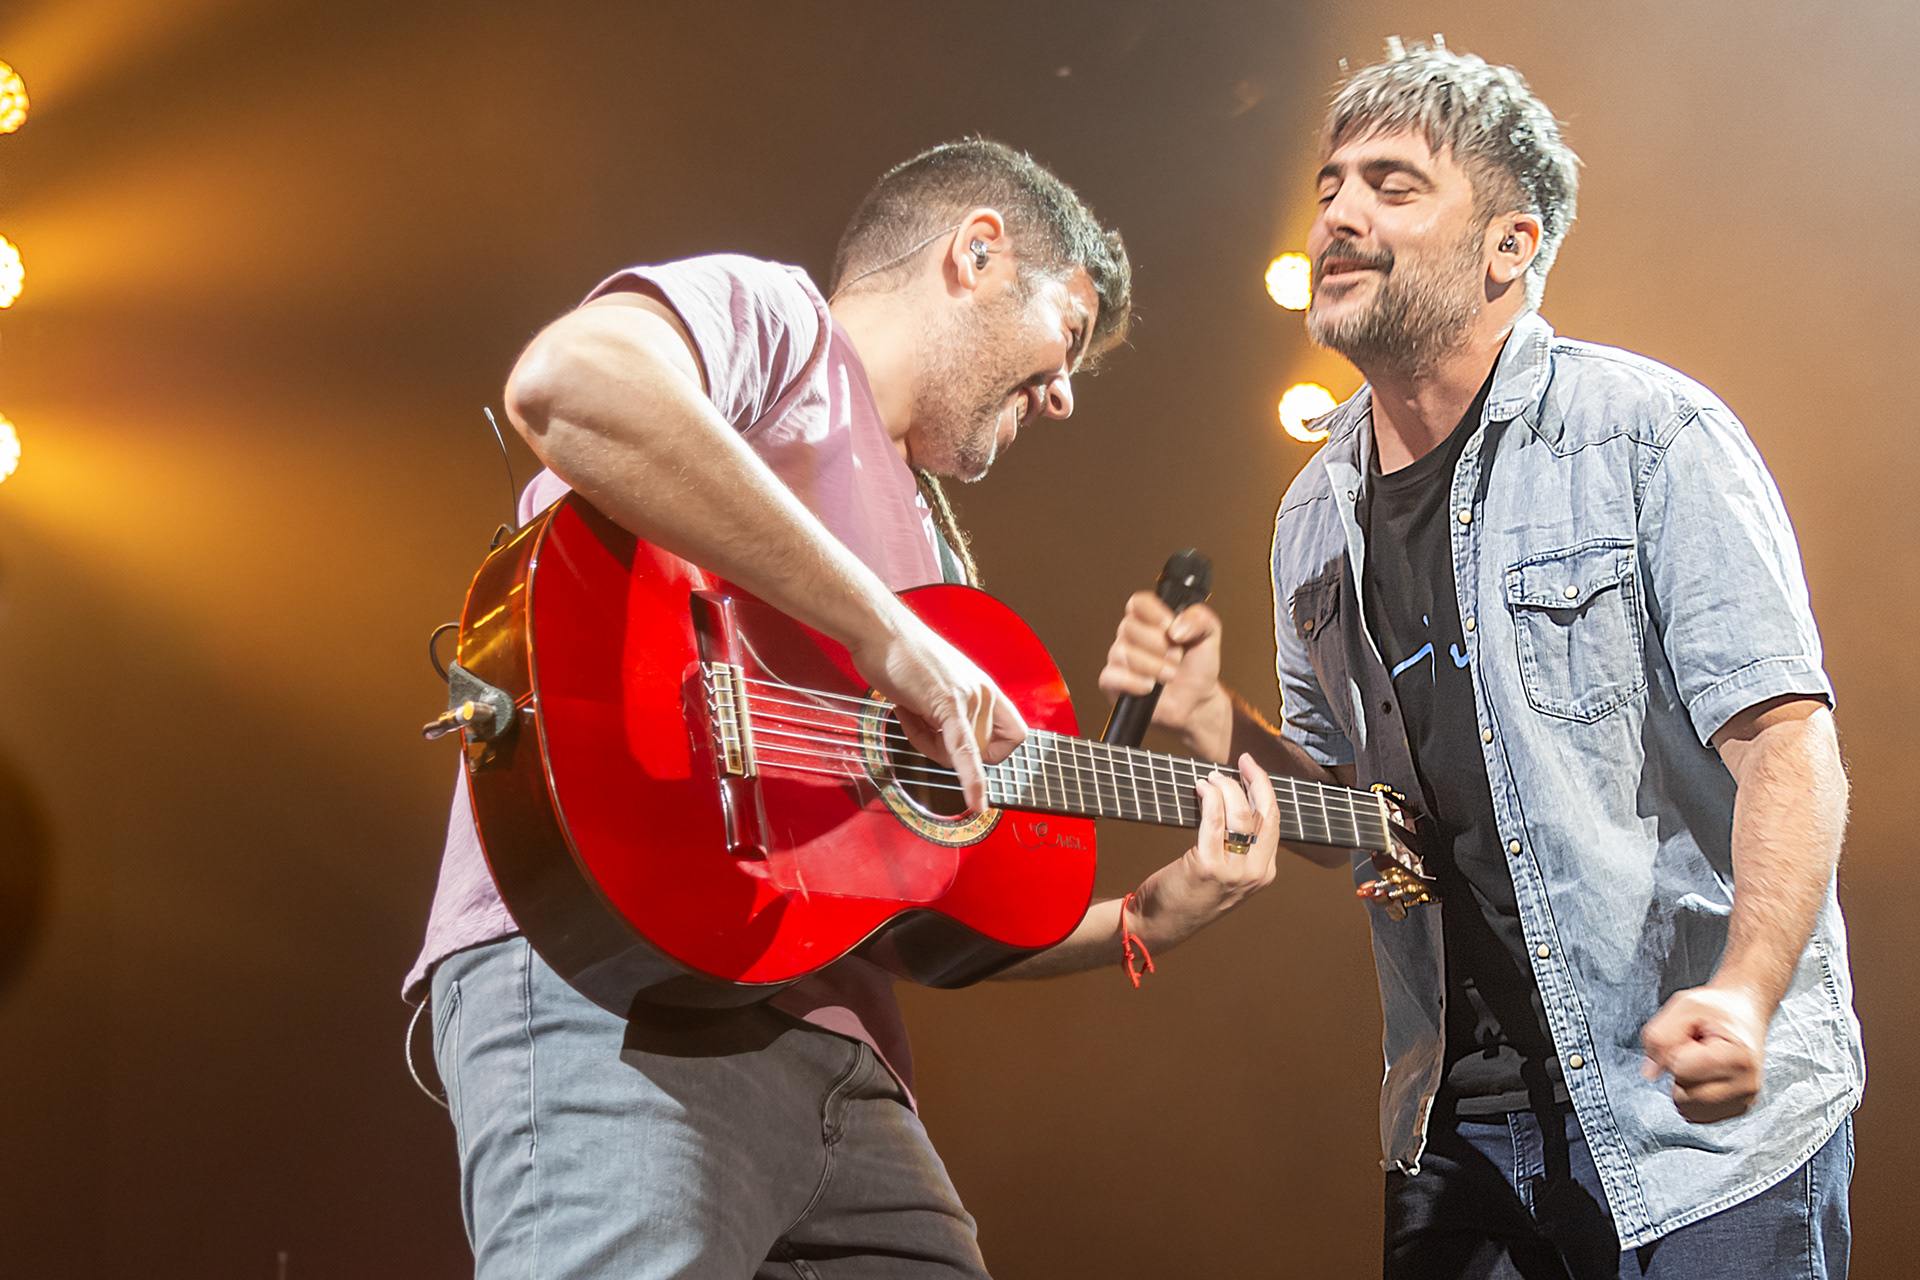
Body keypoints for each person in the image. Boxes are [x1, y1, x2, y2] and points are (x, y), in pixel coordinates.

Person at [406, 139, 1286, 1280]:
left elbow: (911, 904)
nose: (1065, 395)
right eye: (1065, 338)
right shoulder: (781, 327)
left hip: (840, 1054)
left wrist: (1141, 919)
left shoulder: (935, 552)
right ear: (977, 251)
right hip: (619, 974)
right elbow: (568, 384)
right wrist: (889, 635)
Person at [1101, 42, 1861, 1279]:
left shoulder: (1648, 435)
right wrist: (1209, 718)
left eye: (1394, 186)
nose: (1341, 212)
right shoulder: (1312, 515)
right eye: (1332, 185)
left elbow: (1788, 742)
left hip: (1690, 1131)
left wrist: (1748, 992)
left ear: (1509, 245)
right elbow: (1366, 823)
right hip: (1455, 1129)